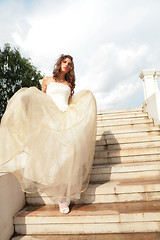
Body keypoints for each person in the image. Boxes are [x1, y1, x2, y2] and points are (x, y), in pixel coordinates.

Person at [0, 54, 97, 214]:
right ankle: (60, 194)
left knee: (67, 155)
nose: (67, 65)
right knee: (54, 157)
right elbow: (42, 98)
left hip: (66, 118)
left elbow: (69, 101)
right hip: (51, 119)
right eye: (65, 62)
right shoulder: (47, 80)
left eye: (70, 64)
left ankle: (64, 197)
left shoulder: (68, 84)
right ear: (59, 64)